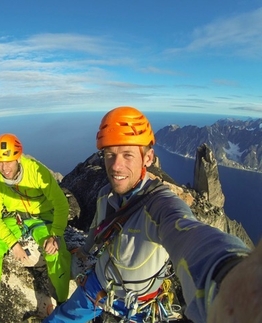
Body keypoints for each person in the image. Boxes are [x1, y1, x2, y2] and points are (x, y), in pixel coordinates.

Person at [37, 106, 260, 323]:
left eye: (127, 155)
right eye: (109, 154)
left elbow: (189, 234)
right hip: (98, 284)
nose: (116, 166)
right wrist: (84, 251)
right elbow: (97, 228)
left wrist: (229, 272)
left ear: (148, 158)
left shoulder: (160, 204)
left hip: (139, 306)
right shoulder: (105, 194)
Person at [0, 133, 71, 308]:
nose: (4, 168)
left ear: (18, 158)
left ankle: (62, 298)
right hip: (15, 219)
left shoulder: (36, 172)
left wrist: (55, 235)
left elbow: (61, 204)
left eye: (8, 161)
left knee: (55, 250)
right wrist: (13, 244)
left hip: (43, 218)